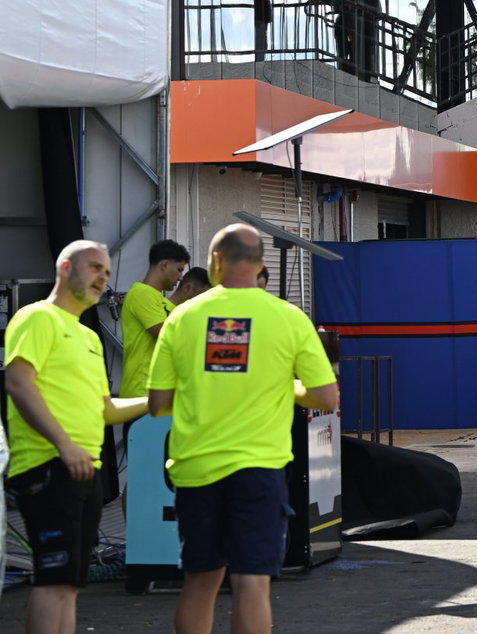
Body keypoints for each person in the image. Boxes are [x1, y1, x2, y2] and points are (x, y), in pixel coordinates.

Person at [149, 223, 339, 634]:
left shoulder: (182, 317)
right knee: (252, 582)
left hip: (197, 468)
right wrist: (287, 387)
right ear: (260, 263)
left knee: (200, 581)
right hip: (260, 469)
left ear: (216, 261)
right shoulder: (288, 317)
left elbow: (158, 403)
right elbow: (327, 398)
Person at [5, 241, 148, 634]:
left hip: (85, 468)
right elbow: (18, 383)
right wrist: (64, 445)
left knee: (69, 585)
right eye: (94, 268)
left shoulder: (88, 337)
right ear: (66, 268)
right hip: (49, 465)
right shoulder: (38, 318)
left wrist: (158, 400)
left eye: (107, 271)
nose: (103, 277)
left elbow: (106, 409)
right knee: (54, 581)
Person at [120, 238, 189, 400]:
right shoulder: (142, 294)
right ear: (164, 265)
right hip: (141, 392)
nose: (180, 277)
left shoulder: (157, 299)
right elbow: (167, 334)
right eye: (179, 270)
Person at [322, 0, 382, 81]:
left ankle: (358, 70)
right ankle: (343, 66)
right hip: (343, 27)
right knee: (342, 51)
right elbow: (335, 1)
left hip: (357, 28)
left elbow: (374, 10)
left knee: (358, 51)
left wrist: (354, 7)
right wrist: (322, 0)